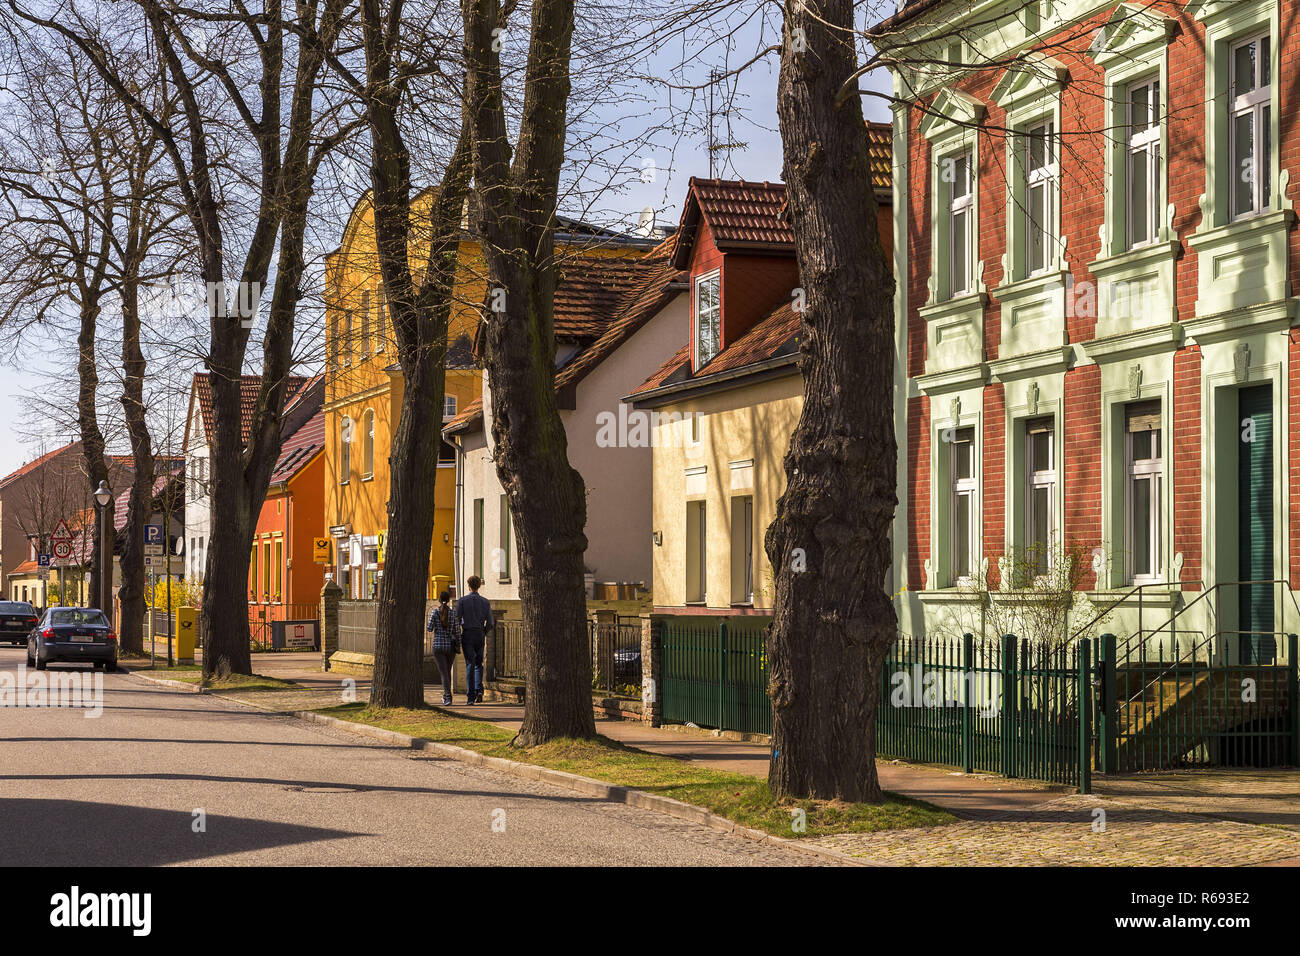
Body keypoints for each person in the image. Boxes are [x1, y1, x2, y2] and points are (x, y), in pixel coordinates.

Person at [456, 575, 494, 705]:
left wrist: (458, 633)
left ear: (468, 586)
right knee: (479, 663)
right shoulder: (485, 602)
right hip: (479, 634)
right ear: (479, 586)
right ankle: (479, 691)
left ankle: (470, 696)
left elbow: (457, 619)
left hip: (467, 634)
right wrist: (484, 632)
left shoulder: (462, 601)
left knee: (469, 664)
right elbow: (490, 622)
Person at [426, 590, 460, 706]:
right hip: (450, 646)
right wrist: (458, 644)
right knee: (447, 671)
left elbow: (429, 628)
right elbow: (457, 631)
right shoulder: (453, 614)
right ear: (449, 600)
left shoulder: (435, 612)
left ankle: (447, 696)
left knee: (443, 673)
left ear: (439, 600)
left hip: (438, 646)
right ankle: (447, 695)